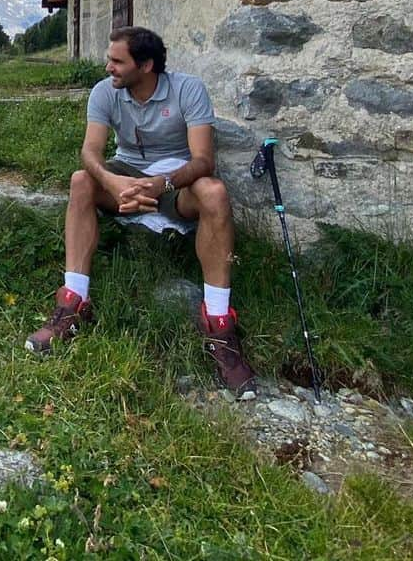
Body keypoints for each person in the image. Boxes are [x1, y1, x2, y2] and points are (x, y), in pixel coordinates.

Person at [25, 26, 256, 396]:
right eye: (109, 59)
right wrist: (113, 183)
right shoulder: (105, 93)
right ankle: (72, 304)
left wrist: (162, 183)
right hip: (126, 173)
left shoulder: (187, 89)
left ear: (146, 65)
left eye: (117, 61)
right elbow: (90, 152)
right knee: (81, 181)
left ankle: (218, 324)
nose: (108, 68)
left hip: (174, 180)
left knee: (213, 193)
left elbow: (203, 160)